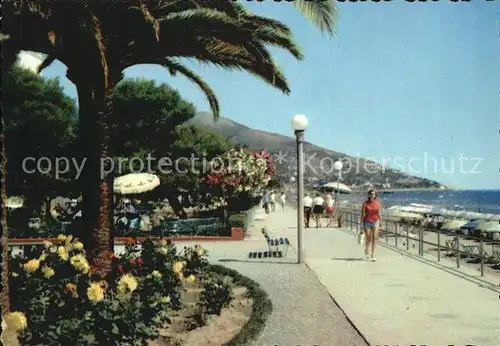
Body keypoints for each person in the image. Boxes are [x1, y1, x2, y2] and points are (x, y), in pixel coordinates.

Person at [360, 189, 381, 261]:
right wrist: (361, 224)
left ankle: (373, 254)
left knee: (375, 238)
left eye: (373, 194)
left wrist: (380, 222)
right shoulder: (365, 203)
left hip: (376, 221)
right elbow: (362, 214)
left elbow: (378, 213)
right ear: (368, 195)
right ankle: (366, 250)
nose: (372, 195)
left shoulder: (377, 203)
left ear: (375, 195)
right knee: (368, 239)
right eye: (371, 194)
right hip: (367, 222)